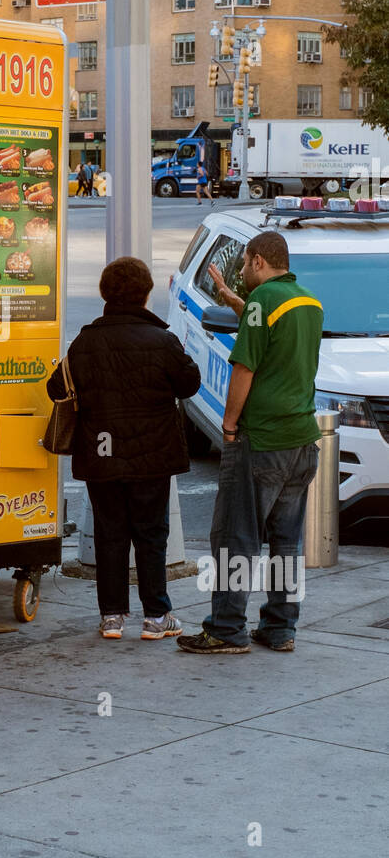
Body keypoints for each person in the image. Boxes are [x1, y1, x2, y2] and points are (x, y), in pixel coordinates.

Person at [178, 231, 322, 655]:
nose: (241, 272)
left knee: (236, 537)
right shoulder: (306, 302)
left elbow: (244, 367)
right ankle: (279, 629)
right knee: (284, 542)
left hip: (262, 440)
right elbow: (267, 332)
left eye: (243, 264)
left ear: (259, 261)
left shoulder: (263, 301)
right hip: (302, 441)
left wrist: (227, 425)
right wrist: (228, 296)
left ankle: (225, 629)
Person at [47, 256, 201, 640]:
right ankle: (156, 616)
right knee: (151, 534)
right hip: (152, 457)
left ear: (104, 294)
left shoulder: (86, 341)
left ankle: (112, 616)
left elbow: (55, 388)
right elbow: (189, 384)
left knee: (109, 533)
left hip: (100, 455)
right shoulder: (162, 341)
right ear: (146, 294)